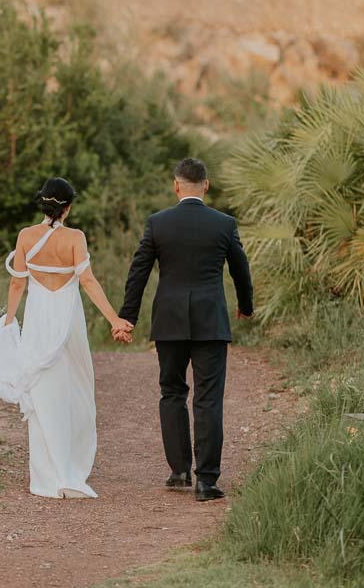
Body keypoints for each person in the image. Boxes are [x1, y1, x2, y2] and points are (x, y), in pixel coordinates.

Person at [0, 177, 133, 498]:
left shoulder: (26, 236)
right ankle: (71, 469)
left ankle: (46, 478)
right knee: (75, 388)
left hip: (38, 320)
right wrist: (115, 320)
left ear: (43, 204)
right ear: (67, 208)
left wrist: (9, 324)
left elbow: (16, 285)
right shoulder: (75, 238)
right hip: (67, 321)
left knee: (41, 391)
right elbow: (88, 281)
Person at [116, 158, 253, 502]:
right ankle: (206, 481)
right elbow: (241, 269)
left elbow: (139, 273)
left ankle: (179, 471)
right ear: (206, 185)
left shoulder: (158, 223)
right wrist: (246, 306)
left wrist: (127, 316)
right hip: (211, 322)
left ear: (176, 186)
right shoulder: (224, 224)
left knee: (172, 392)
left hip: (170, 320)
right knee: (208, 399)